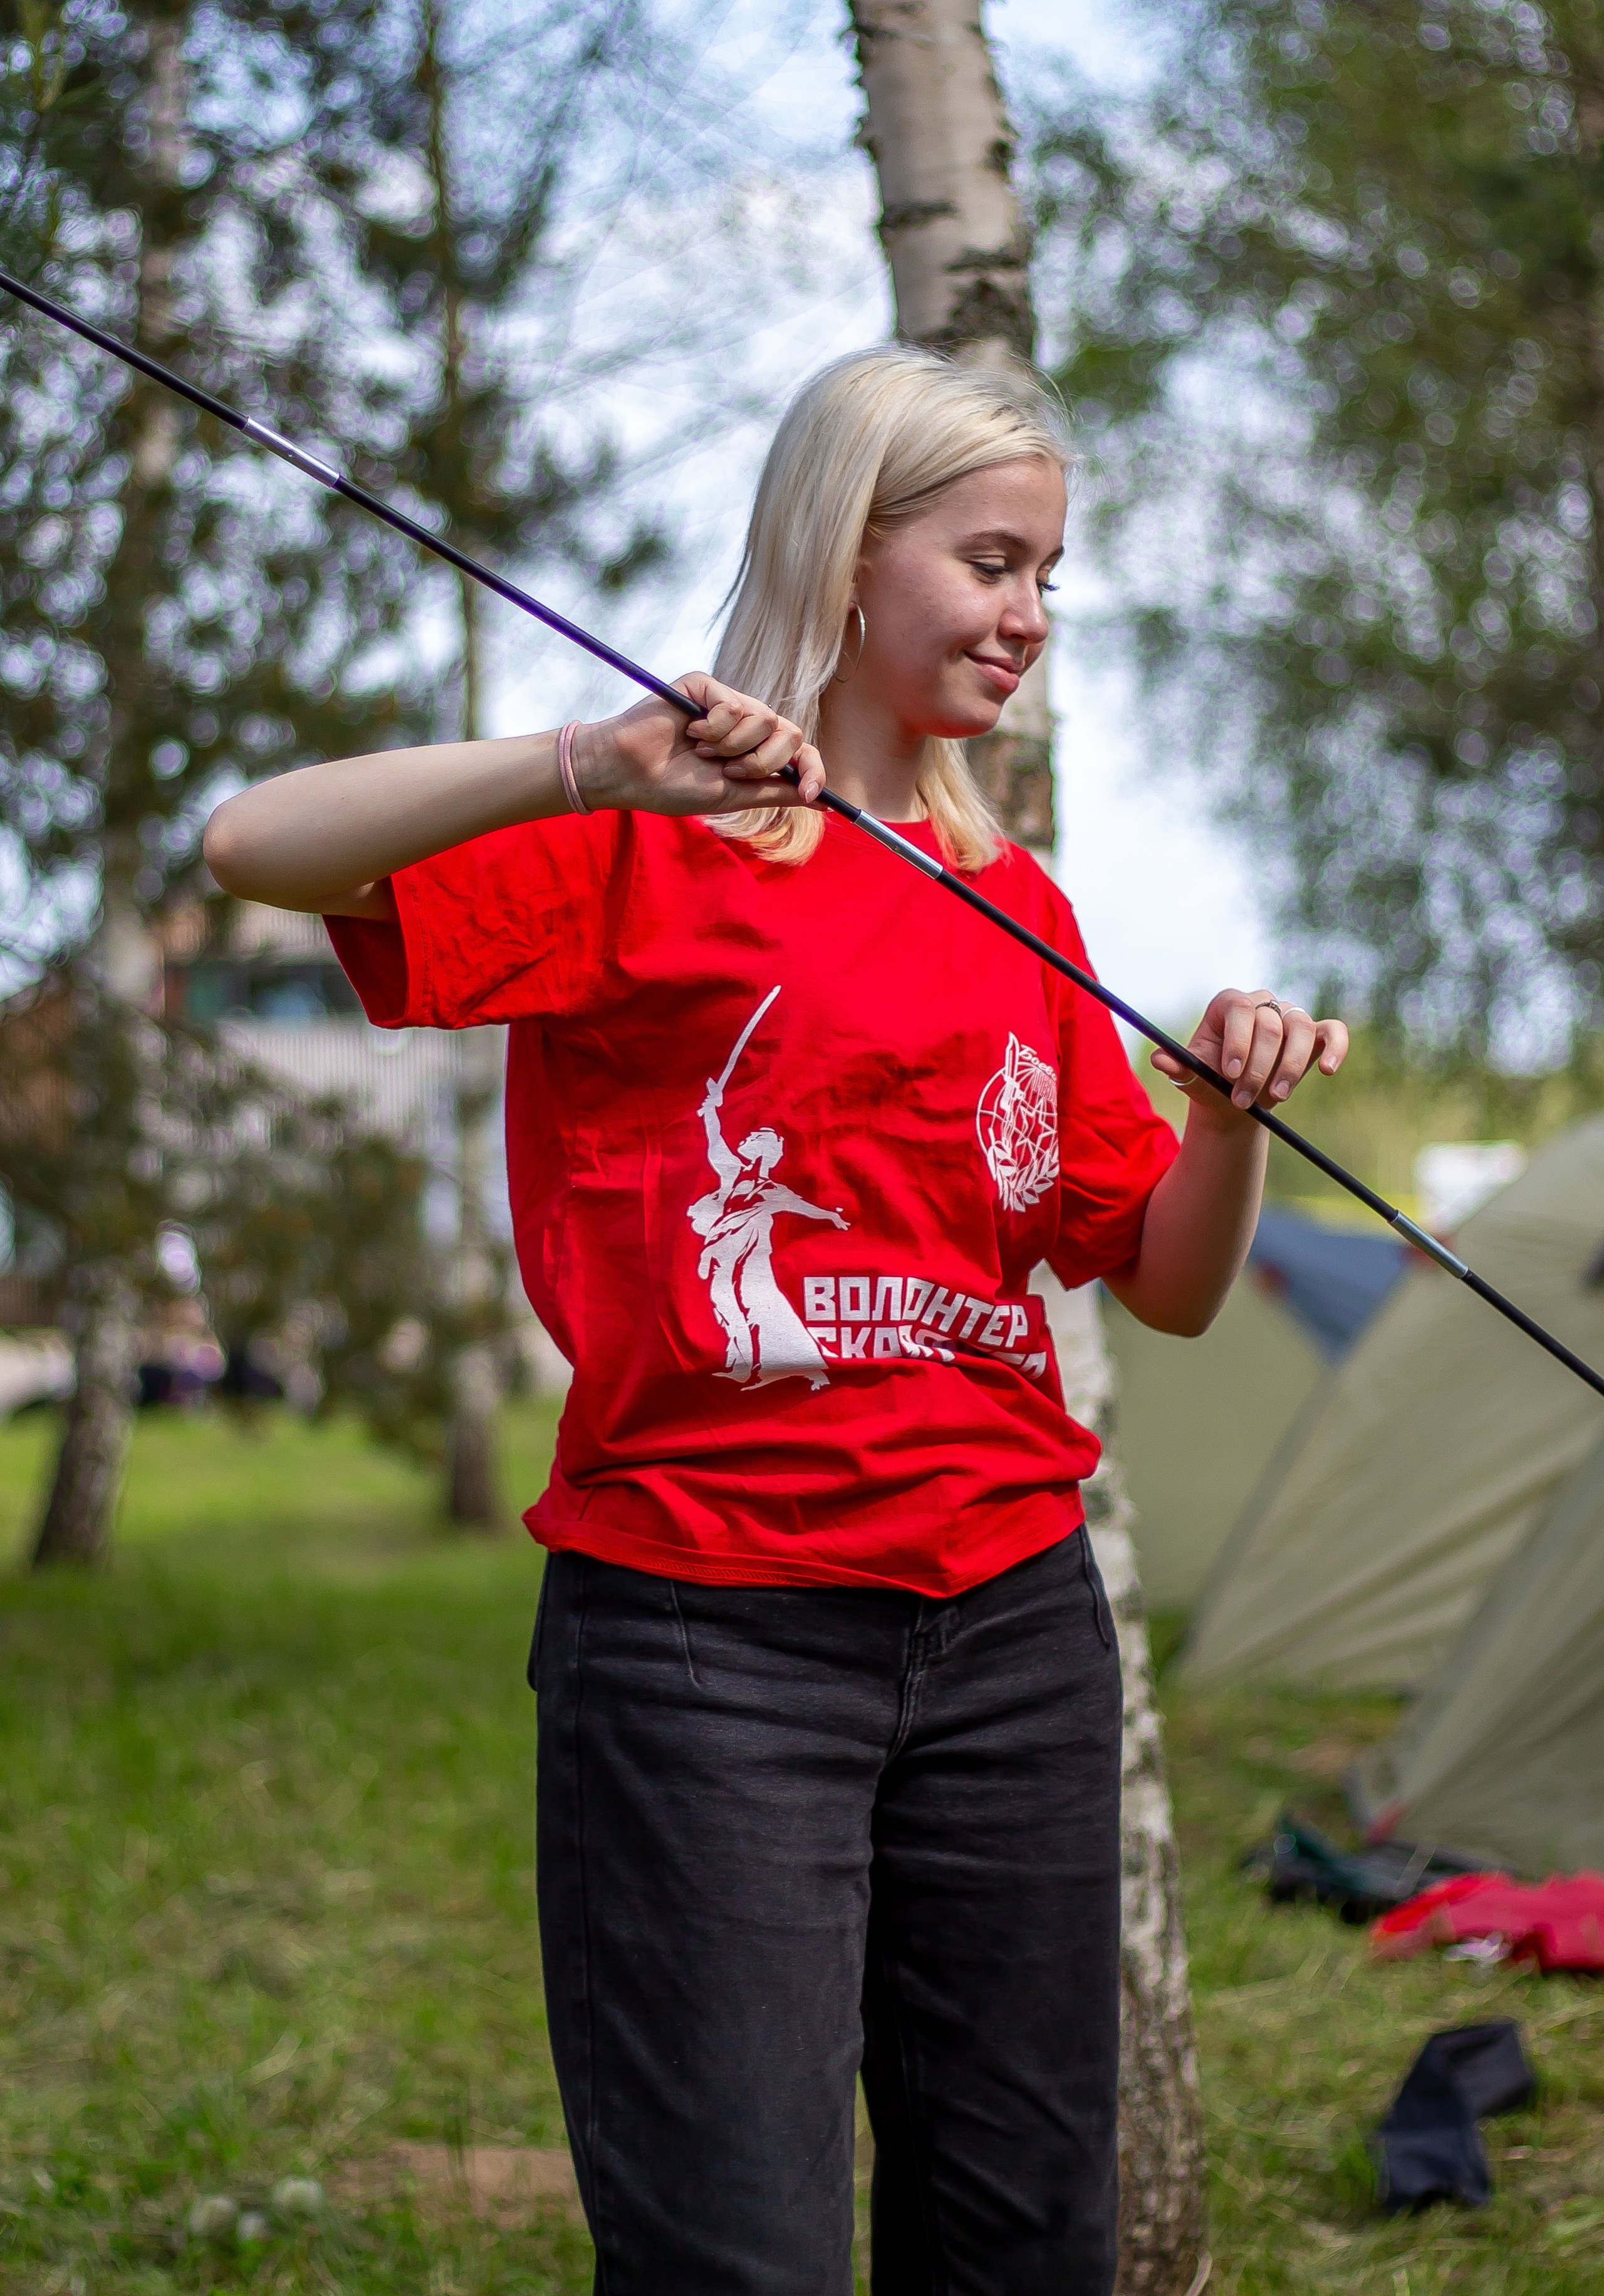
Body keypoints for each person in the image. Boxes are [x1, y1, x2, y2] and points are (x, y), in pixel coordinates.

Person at [205, 346, 1348, 2295]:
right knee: (738, 2252)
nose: (1028, 615)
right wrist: (586, 763)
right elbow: (257, 847)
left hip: (1013, 1634)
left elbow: (1161, 1277)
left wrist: (1232, 1126)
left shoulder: (1021, 906)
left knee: (1021, 2239)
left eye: (1050, 577)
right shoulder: (645, 840)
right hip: (706, 1644)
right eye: (992, 559)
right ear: (847, 548)